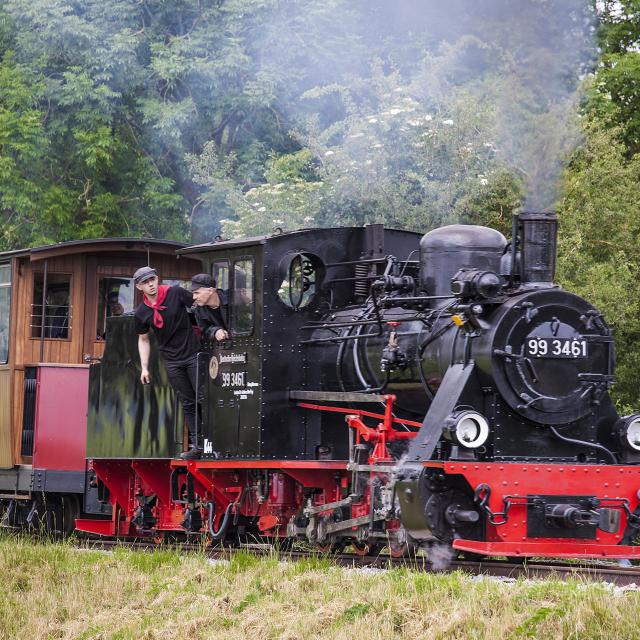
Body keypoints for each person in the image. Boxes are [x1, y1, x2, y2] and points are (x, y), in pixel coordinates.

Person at [133, 266, 204, 460]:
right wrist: (144, 368)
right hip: (172, 361)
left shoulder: (176, 292)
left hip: (192, 354)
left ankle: (214, 441)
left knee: (203, 397)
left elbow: (199, 305)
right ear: (139, 287)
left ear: (157, 279)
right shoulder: (142, 312)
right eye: (145, 283)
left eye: (152, 280)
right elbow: (143, 339)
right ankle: (198, 445)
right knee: (188, 402)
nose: (151, 285)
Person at [190, 273, 230, 344]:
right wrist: (215, 331)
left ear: (210, 291)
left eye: (197, 293)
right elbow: (204, 329)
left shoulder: (231, 300)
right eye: (193, 293)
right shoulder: (198, 309)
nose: (194, 297)